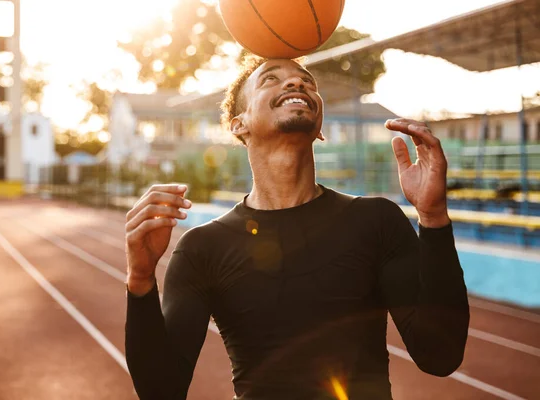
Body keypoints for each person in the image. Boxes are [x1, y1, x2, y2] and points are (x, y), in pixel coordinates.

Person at [124, 56, 469, 400]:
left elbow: (440, 355)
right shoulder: (202, 248)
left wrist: (434, 217)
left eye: (307, 82)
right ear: (237, 124)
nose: (297, 84)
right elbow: (162, 391)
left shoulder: (377, 220)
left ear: (319, 126)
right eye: (270, 79)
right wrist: (140, 281)